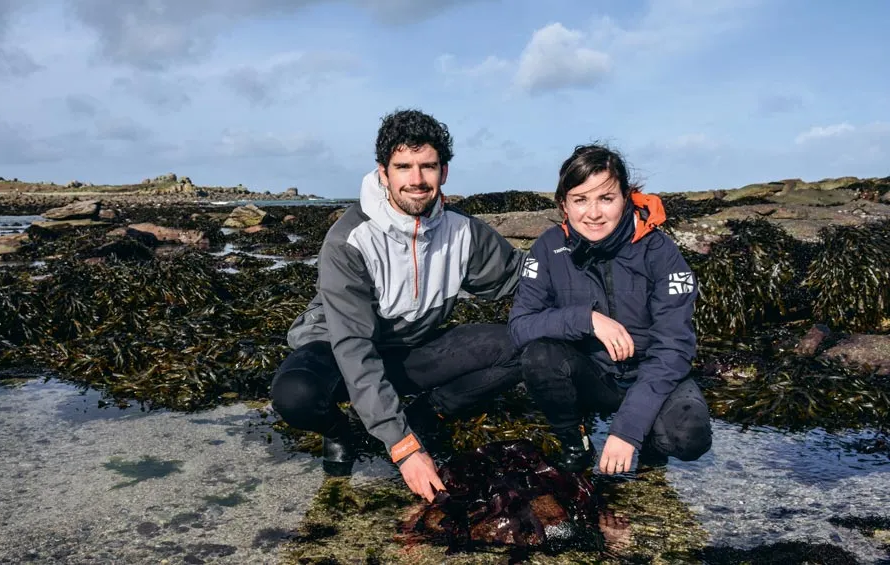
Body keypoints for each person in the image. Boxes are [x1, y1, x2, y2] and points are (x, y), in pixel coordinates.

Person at [271, 109, 527, 502]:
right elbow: (354, 348)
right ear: (383, 172)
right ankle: (342, 432)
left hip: (412, 351)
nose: (416, 179)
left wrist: (590, 286)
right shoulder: (349, 241)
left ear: (444, 172)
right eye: (403, 166)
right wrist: (403, 446)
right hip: (339, 350)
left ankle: (426, 415)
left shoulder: (463, 230)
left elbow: (519, 275)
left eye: (428, 166)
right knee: (296, 394)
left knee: (522, 344)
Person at [508, 144, 712, 474]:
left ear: (626, 198)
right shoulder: (547, 247)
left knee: (689, 435)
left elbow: (674, 349)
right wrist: (584, 320)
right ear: (564, 204)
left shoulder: (659, 251)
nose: (593, 213)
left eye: (606, 198)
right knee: (539, 355)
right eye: (580, 200)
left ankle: (647, 443)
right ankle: (576, 442)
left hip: (652, 374)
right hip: (592, 374)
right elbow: (520, 325)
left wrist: (628, 428)